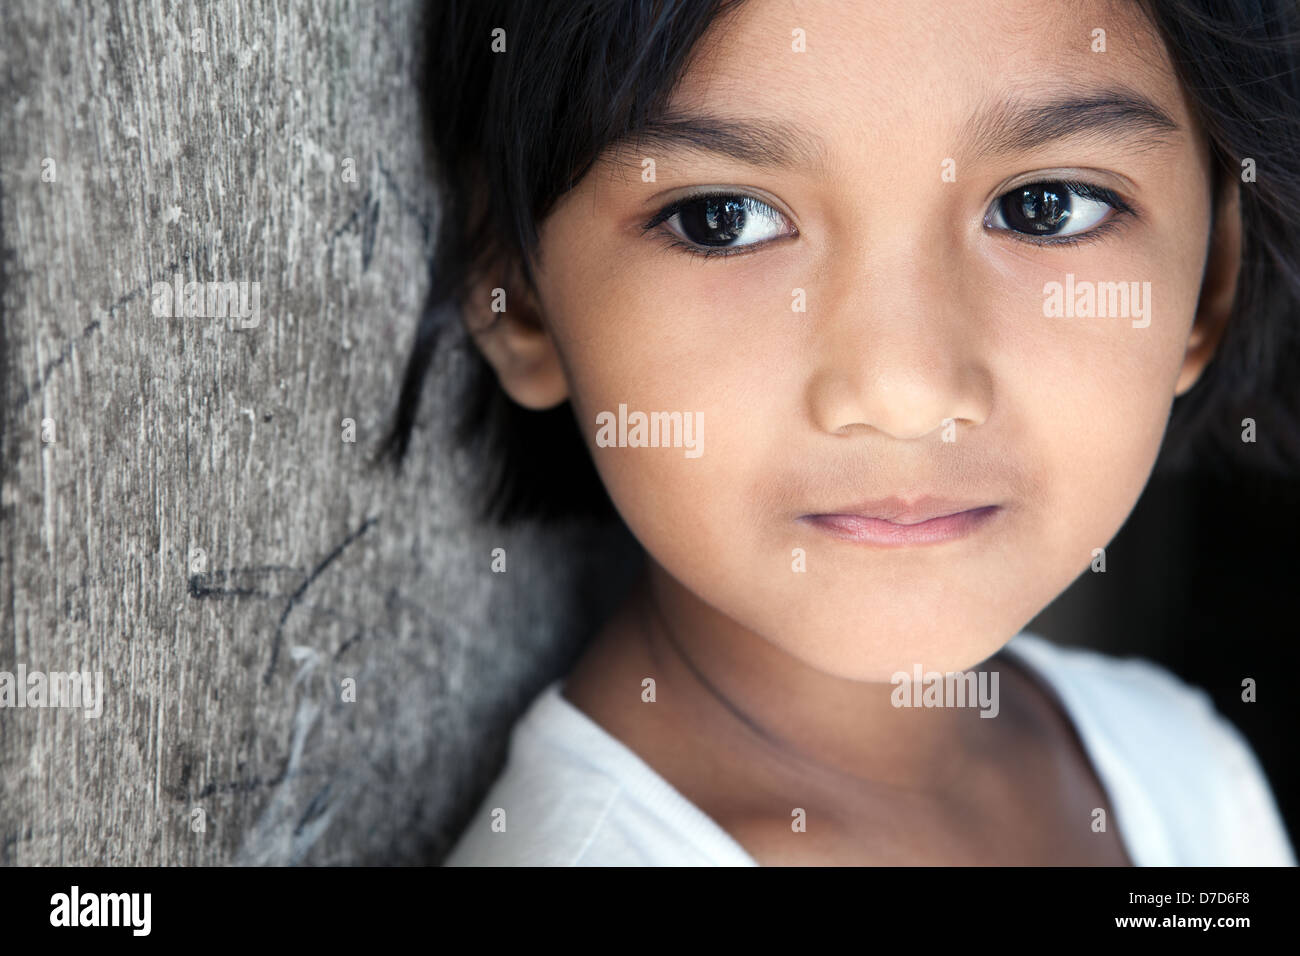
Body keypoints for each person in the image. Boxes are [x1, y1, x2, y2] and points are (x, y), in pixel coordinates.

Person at [387, 0, 1300, 865]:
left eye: (1046, 206)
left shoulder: (1188, 778)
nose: (905, 392)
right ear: (519, 301)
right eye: (724, 220)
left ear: (1210, 280)